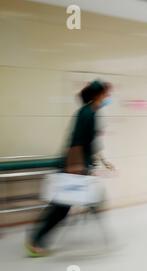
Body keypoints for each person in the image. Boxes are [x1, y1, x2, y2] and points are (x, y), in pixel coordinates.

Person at [25, 80, 112, 257]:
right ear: (98, 95)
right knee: (60, 208)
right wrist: (75, 166)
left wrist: (103, 160)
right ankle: (35, 241)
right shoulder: (86, 113)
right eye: (106, 93)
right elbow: (76, 143)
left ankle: (37, 239)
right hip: (72, 167)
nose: (108, 97)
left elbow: (91, 143)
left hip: (78, 166)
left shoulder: (91, 112)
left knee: (71, 205)